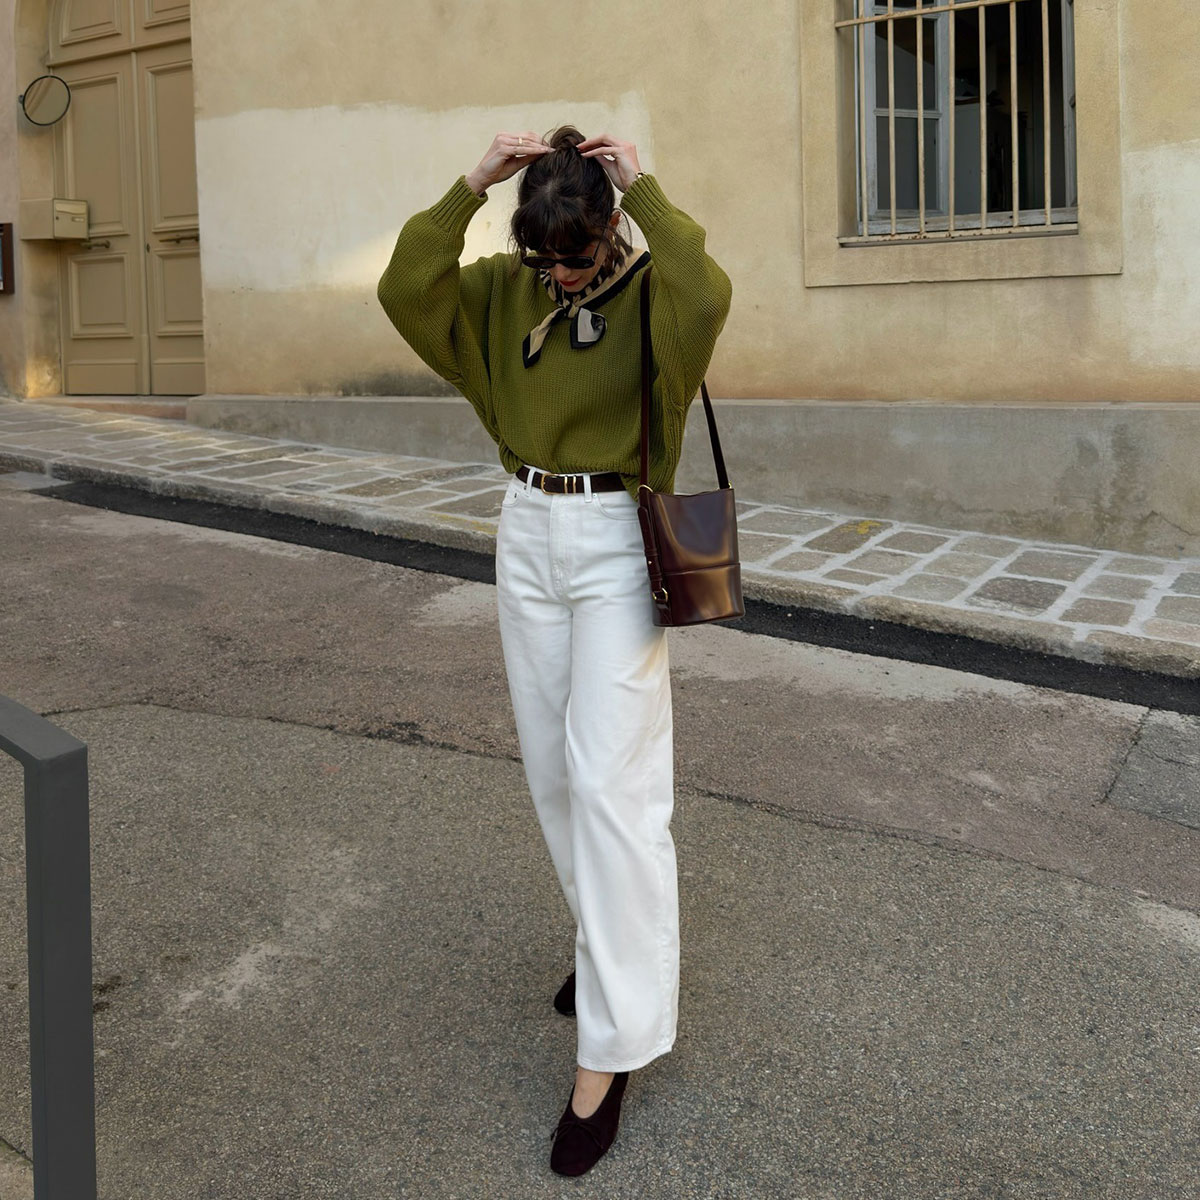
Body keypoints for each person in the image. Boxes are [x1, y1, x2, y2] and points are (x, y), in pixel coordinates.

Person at [376, 125, 731, 1176]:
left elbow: (709, 294)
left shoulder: (655, 295)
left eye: (576, 254)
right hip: (526, 528)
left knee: (615, 784)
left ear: (608, 226)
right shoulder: (504, 291)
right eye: (546, 257)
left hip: (621, 539)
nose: (562, 273)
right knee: (552, 771)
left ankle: (609, 1052)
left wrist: (648, 189)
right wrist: (470, 185)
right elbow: (406, 289)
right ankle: (602, 942)